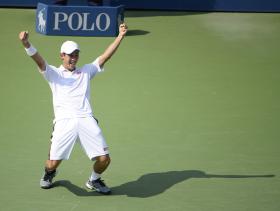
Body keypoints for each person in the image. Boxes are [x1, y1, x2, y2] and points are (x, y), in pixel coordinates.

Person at [19, 23, 128, 195]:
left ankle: (94, 180)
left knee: (105, 159)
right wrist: (26, 44)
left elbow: (105, 56)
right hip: (64, 122)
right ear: (62, 56)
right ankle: (49, 173)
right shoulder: (53, 73)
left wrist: (120, 36)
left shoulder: (86, 72)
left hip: (86, 119)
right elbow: (39, 60)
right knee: (52, 163)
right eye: (70, 55)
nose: (74, 59)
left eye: (76, 55)